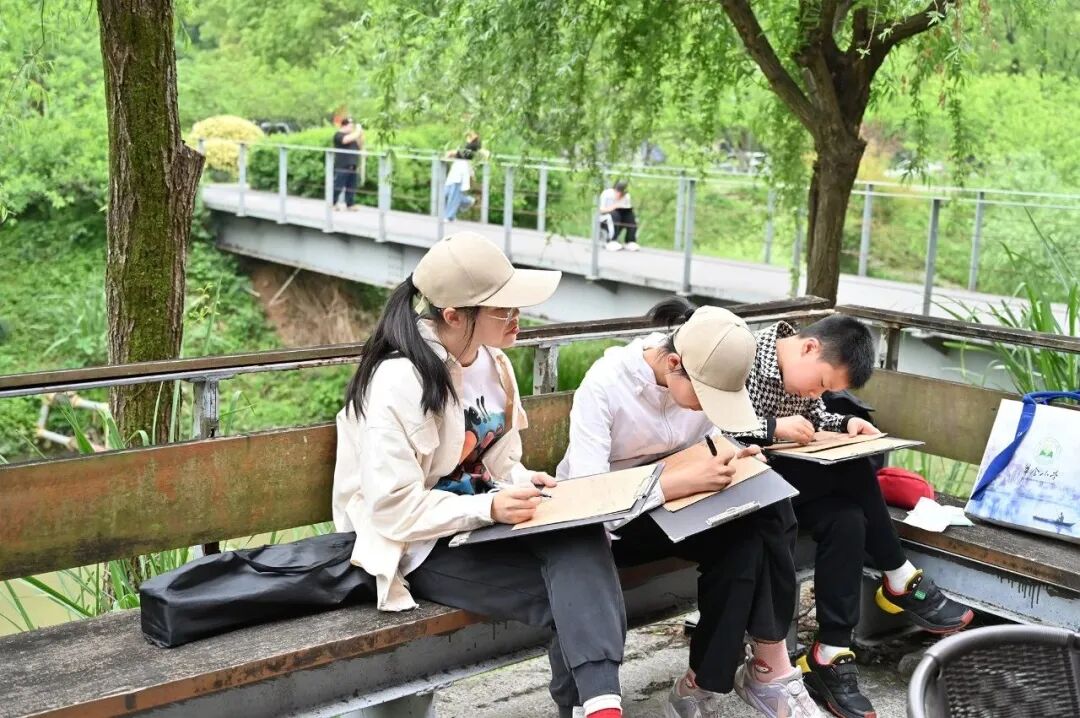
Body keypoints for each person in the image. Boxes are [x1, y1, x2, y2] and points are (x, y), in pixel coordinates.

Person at [332, 232, 627, 718]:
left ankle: (597, 709)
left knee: (581, 538)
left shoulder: (495, 364)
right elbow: (392, 509)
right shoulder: (399, 381)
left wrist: (523, 483)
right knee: (578, 598)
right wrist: (488, 505)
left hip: (481, 526)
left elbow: (501, 464)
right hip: (418, 545)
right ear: (453, 316)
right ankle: (597, 709)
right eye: (503, 309)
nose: (517, 317)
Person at [559, 297, 823, 718]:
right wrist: (673, 484)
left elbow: (711, 443)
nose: (706, 407)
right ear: (673, 363)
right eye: (705, 396)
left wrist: (734, 457)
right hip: (616, 529)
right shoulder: (606, 384)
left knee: (764, 514)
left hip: (683, 508)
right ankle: (750, 675)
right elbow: (588, 499)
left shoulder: (700, 378)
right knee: (747, 539)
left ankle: (745, 670)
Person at [735, 314, 975, 718]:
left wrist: (847, 422)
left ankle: (830, 652)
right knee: (854, 470)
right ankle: (899, 576)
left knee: (847, 519)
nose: (818, 393)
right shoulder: (741, 356)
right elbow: (714, 429)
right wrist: (774, 428)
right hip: (748, 490)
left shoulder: (802, 370)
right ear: (809, 347)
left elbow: (815, 417)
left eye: (827, 390)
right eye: (822, 383)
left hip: (791, 491)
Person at [443, 132, 481, 221]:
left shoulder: (471, 149)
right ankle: (469, 201)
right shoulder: (465, 147)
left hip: (460, 175)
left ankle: (449, 216)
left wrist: (451, 153)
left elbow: (460, 154)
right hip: (454, 173)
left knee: (454, 196)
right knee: (446, 194)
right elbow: (457, 154)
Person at [332, 117, 365, 211]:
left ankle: (350, 204)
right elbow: (345, 140)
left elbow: (360, 145)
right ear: (344, 126)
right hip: (342, 165)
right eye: (350, 126)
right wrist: (357, 131)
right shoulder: (338, 135)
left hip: (353, 165)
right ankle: (332, 203)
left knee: (352, 186)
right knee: (338, 185)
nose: (352, 128)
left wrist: (360, 135)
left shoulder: (353, 137)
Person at [598, 180, 639, 252]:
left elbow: (627, 207)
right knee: (614, 215)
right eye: (618, 192)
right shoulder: (607, 194)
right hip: (605, 217)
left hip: (619, 215)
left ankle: (630, 240)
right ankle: (611, 240)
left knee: (630, 216)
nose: (619, 195)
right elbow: (601, 210)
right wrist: (614, 207)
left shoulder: (626, 196)